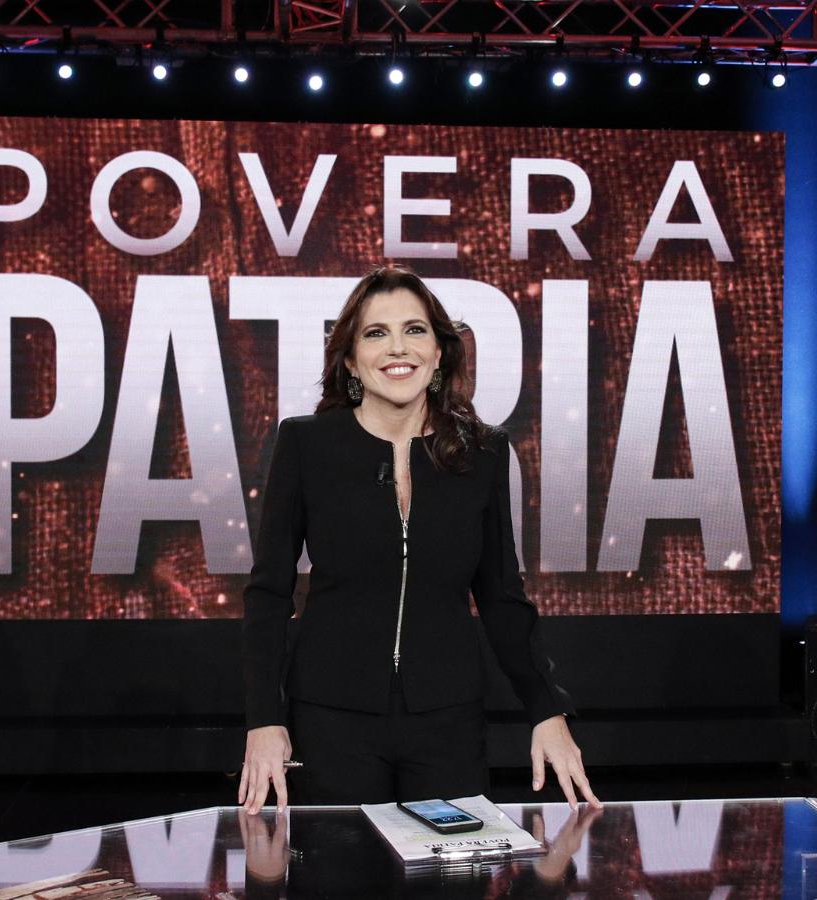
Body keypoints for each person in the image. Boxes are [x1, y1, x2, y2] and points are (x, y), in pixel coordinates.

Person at [238, 265, 600, 815]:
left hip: (447, 720)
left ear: (438, 352)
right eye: (375, 333)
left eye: (414, 329)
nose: (397, 348)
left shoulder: (482, 453)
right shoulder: (308, 445)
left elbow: (502, 597)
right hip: (332, 715)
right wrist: (265, 719)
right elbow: (269, 592)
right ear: (351, 358)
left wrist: (545, 710)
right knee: (341, 861)